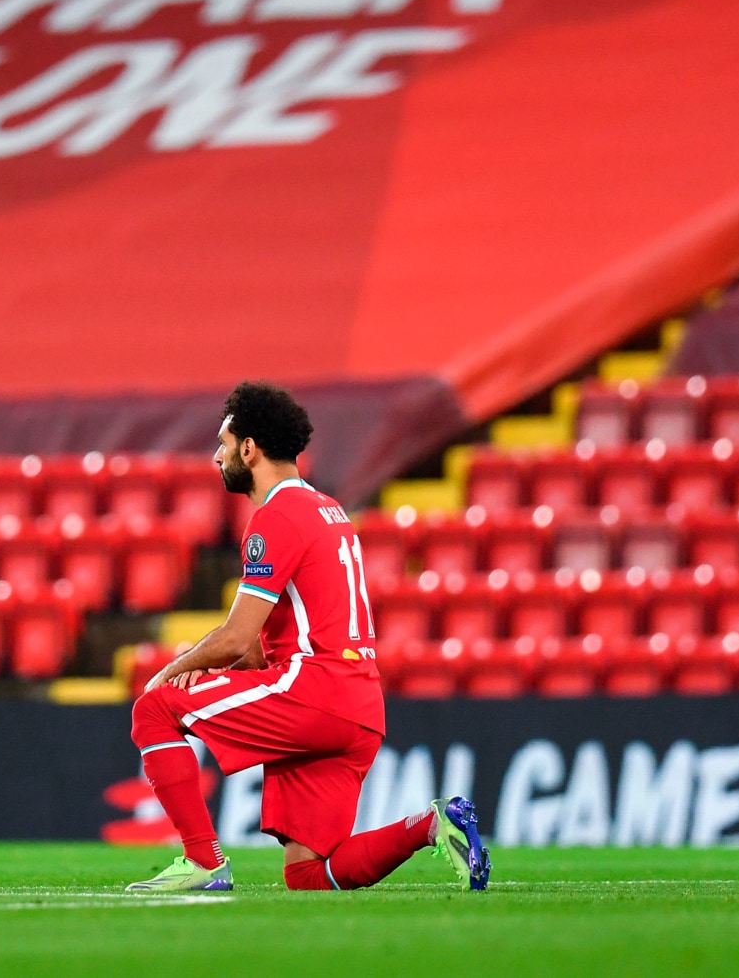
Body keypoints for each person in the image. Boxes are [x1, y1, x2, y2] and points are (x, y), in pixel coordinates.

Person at [124, 381, 490, 893]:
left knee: (153, 708)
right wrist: (217, 662)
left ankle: (204, 862)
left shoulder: (274, 519)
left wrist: (173, 669)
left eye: (223, 444)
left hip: (312, 692)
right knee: (308, 875)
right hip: (359, 706)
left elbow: (236, 637)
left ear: (249, 449)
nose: (216, 456)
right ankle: (432, 824)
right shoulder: (329, 511)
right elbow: (263, 645)